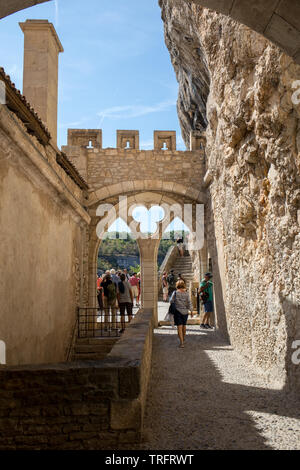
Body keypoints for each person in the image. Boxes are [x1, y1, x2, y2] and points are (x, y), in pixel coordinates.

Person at [170, 280, 193, 348]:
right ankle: (183, 338)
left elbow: (171, 301)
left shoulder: (175, 292)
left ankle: (182, 343)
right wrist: (191, 311)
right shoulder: (186, 293)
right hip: (185, 312)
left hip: (178, 311)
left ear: (177, 285)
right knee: (184, 326)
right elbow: (189, 302)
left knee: (179, 327)